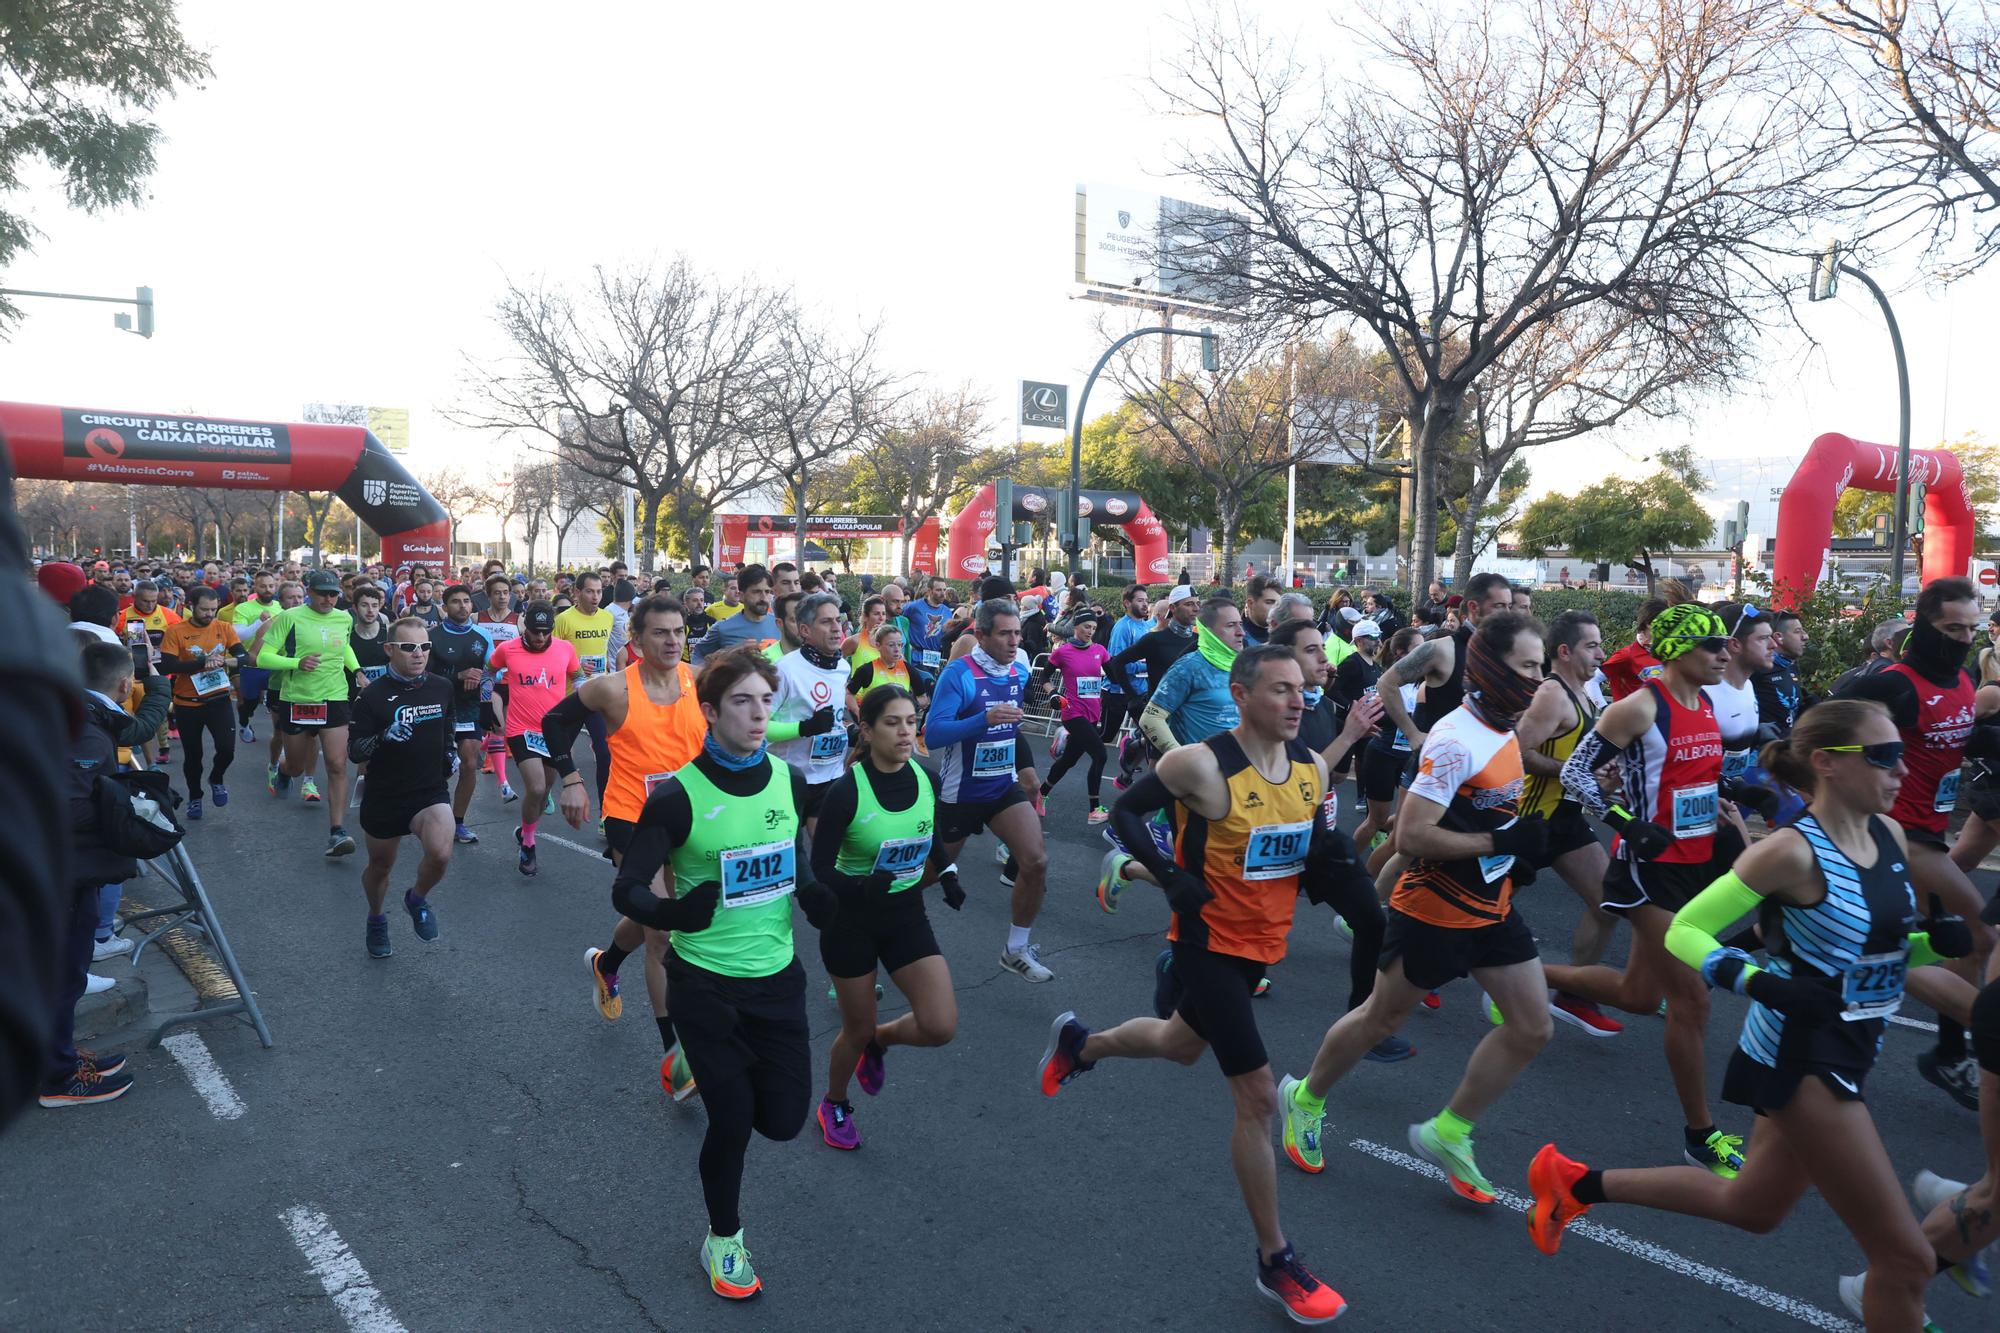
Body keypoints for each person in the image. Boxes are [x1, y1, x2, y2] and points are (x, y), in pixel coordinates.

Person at [1526, 699, 1968, 1333]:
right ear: (1827, 764)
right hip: (1802, 1058)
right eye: (1884, 755)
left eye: (1902, 752)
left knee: (1752, 1206)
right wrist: (1757, 982)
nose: (1903, 769)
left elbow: (1872, 949)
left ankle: (1573, 1185)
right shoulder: (1788, 852)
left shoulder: (1889, 836)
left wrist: (1930, 944)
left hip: (1853, 1043)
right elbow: (1687, 930)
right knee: (1904, 1261)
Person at [1037, 644, 1361, 1326]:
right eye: (1280, 689)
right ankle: (1276, 1261)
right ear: (1241, 696)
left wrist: (1342, 878)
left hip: (1262, 945)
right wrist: (1168, 873)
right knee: (1255, 1096)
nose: (1298, 700)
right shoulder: (1201, 763)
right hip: (1207, 942)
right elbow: (1126, 812)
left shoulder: (1309, 768)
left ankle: (1081, 1044)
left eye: (1302, 688)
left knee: (1180, 1042)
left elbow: (1310, 850)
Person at [1277, 612, 1554, 1208]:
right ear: (1493, 668)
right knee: (1379, 1018)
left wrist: (1514, 846)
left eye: (1541, 665)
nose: (1539, 678)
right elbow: (1410, 835)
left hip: (1493, 902)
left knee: (1532, 1026)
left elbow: (1483, 812)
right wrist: (1501, 842)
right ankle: (1305, 1096)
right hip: (1437, 908)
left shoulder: (1503, 726)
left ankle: (1449, 1132)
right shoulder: (1455, 741)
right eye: (1529, 666)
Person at [607, 646, 837, 1301]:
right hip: (703, 980)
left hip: (776, 978)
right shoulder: (680, 795)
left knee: (786, 1119)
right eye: (743, 700)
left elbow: (799, 859)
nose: (760, 712)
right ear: (709, 711)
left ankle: (690, 1066)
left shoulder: (787, 782)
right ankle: (724, 1236)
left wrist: (815, 891)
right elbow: (627, 889)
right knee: (733, 1119)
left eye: (767, 699)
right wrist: (673, 908)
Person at [1549, 603, 1750, 1177]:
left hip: (1698, 861)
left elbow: (1694, 775)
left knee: (1639, 995)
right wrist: (1623, 820)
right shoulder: (1638, 707)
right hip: (1651, 866)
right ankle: (1699, 1134)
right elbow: (1576, 773)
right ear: (1679, 651)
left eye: (1726, 644)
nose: (1724, 653)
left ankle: (1518, 973)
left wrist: (1732, 795)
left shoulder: (1706, 701)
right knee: (1690, 1000)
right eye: (1712, 645)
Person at [1835, 577, 2000, 1110]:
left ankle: (1950, 1052)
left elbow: (1948, 738)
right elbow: (1821, 727)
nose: (1963, 638)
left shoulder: (1961, 683)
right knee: (1979, 930)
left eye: (1972, 629)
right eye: (1953, 628)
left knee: (1955, 941)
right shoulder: (1895, 684)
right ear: (1921, 625)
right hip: (1895, 833)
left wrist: (1985, 738)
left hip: (1932, 829)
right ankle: (1976, 1042)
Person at [543, 595, 707, 1100]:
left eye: (679, 631)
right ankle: (674, 1054)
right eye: (661, 633)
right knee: (661, 932)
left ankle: (606, 963)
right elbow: (554, 723)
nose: (673, 640)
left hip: (691, 816)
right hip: (632, 819)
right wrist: (570, 779)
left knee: (651, 915)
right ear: (636, 640)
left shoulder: (697, 682)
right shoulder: (612, 690)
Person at [810, 685, 959, 1149]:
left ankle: (880, 1041)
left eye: (911, 721)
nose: (904, 731)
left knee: (939, 1025)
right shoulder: (845, 791)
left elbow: (926, 830)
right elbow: (818, 870)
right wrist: (858, 886)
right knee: (853, 1028)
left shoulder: (926, 778)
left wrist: (948, 871)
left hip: (905, 913)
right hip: (850, 923)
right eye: (892, 722)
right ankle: (834, 1100)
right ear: (868, 730)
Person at [44, 640, 168, 1107]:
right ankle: (57, 1079)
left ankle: (58, 1055)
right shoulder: (89, 733)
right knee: (63, 974)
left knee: (65, 972)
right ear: (124, 684)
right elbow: (64, 808)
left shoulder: (76, 715)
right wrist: (122, 810)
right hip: (61, 874)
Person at [925, 598, 1052, 981]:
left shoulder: (1017, 672)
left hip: (1000, 788)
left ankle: (1015, 948)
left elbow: (1008, 730)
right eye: (1005, 634)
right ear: (981, 635)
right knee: (928, 876)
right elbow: (933, 734)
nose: (1015, 641)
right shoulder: (959, 675)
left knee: (1036, 862)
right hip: (961, 794)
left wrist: (1024, 770)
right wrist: (982, 719)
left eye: (1017, 633)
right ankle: (871, 927)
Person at [1509, 609, 1622, 1036]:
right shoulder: (1551, 694)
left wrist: (1601, 781)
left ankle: (1573, 994)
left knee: (1609, 899)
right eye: (1591, 646)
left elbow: (1579, 764)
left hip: (1567, 820)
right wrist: (1569, 771)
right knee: (1483, 910)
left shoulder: (1586, 694)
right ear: (1564, 651)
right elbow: (1519, 753)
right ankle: (1410, 970)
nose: (1600, 653)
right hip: (1531, 818)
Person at [348, 617, 459, 959]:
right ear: (389, 649)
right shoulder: (371, 697)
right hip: (385, 794)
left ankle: (417, 898)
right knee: (381, 866)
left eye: (424, 647)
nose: (419, 654)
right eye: (409, 647)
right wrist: (382, 738)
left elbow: (449, 724)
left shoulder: (441, 686)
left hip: (429, 791)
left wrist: (451, 751)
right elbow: (355, 750)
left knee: (441, 853)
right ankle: (377, 917)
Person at [257, 570, 361, 857]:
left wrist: (357, 670)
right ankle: (284, 770)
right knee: (298, 766)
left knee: (337, 764)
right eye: (322, 593)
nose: (328, 599)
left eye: (333, 594)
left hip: (335, 696)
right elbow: (263, 657)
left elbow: (345, 648)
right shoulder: (290, 617)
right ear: (309, 591)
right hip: (298, 699)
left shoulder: (344, 618)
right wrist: (296, 663)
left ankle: (337, 832)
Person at [484, 603, 578, 874]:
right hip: (520, 728)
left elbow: (579, 676)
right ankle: (528, 843)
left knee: (545, 789)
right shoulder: (508, 649)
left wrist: (583, 704)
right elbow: (489, 672)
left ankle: (524, 829)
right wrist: (485, 703)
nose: (540, 637)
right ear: (525, 627)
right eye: (535, 632)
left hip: (553, 730)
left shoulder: (565, 649)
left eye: (545, 632)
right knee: (536, 789)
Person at [156, 586, 248, 819]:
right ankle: (195, 796)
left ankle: (216, 778)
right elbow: (167, 666)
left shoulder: (224, 628)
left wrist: (224, 660)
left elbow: (242, 657)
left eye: (213, 609)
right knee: (193, 756)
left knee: (227, 750)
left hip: (218, 699)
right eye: (204, 610)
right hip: (188, 703)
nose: (210, 614)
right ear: (191, 606)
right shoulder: (176, 631)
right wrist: (202, 662)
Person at [767, 591, 851, 833]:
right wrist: (804, 728)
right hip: (789, 778)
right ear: (805, 631)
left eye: (838, 620)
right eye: (826, 622)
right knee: (790, 857)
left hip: (830, 776)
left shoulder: (843, 667)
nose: (837, 628)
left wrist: (848, 730)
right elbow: (761, 728)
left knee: (824, 859)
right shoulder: (784, 670)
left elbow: (833, 719)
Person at [1139, 598, 1246, 755]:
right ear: (1209, 631)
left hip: (1239, 770)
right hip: (1202, 773)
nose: (1241, 632)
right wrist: (1181, 758)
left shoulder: (1244, 666)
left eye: (1240, 624)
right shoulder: (1188, 668)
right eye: (1231, 625)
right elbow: (1150, 719)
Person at [429, 584, 493, 845]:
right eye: (456, 602)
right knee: (438, 768)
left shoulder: (482, 635)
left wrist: (482, 678)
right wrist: (458, 676)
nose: (463, 606)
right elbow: (423, 675)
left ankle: (457, 823)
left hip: (469, 708)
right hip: (437, 708)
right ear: (445, 608)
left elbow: (495, 670)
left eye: (466, 601)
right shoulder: (432, 637)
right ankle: (431, 813)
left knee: (468, 764)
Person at [1040, 611, 1112, 821]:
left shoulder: (1100, 650)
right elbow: (1044, 675)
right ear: (1075, 628)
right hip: (1072, 712)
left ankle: (1041, 793)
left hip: (1092, 713)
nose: (1090, 631)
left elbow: (1114, 674)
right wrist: (1053, 693)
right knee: (1100, 755)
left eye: (1093, 628)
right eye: (1086, 627)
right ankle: (1094, 809)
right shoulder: (1064, 652)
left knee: (1069, 760)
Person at [227, 569, 281, 743]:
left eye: (271, 586)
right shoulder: (244, 608)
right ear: (255, 587)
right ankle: (244, 722)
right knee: (249, 700)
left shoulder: (281, 607)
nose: (268, 589)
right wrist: (259, 621)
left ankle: (280, 737)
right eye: (263, 586)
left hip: (274, 661)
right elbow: (239, 635)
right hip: (249, 661)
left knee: (275, 701)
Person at [691, 563, 778, 663]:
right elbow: (698, 656)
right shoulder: (722, 628)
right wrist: (731, 652)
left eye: (767, 592)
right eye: (756, 592)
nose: (764, 598)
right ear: (741, 595)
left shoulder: (780, 626)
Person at [1600, 596, 1670, 702]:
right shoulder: (1626, 655)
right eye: (1665, 622)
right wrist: (1604, 708)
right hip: (1628, 716)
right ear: (1649, 623)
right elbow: (1592, 680)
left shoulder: (1666, 653)